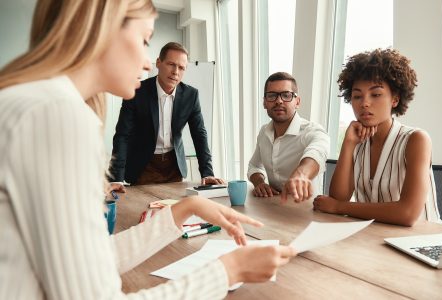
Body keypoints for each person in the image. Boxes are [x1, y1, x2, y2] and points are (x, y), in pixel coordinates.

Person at [0, 1, 296, 299]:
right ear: (102, 28)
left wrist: (186, 208)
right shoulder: (58, 115)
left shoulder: (34, 102)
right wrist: (227, 271)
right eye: (143, 40)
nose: (145, 62)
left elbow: (91, 260)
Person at [313, 48, 440, 226]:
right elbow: (338, 196)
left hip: (420, 241)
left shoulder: (416, 139)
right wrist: (348, 143)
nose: (364, 103)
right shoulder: (357, 141)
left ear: (395, 99)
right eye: (357, 96)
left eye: (376, 94)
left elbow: (408, 213)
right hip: (374, 238)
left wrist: (341, 207)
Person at [108, 41, 224, 191]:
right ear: (158, 63)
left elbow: (199, 134)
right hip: (143, 166)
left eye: (181, 67)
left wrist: (207, 173)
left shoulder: (191, 95)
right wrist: (117, 178)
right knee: (142, 210)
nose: (176, 71)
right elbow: (122, 136)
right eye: (171, 64)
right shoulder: (136, 92)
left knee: (174, 210)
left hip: (173, 166)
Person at [248, 72, 330, 203]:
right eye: (272, 96)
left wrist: (302, 174)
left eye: (286, 95)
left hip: (307, 210)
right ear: (264, 103)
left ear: (297, 102)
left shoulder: (313, 131)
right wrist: (259, 183)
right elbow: (254, 166)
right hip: (272, 207)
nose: (279, 101)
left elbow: (317, 153)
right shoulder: (264, 132)